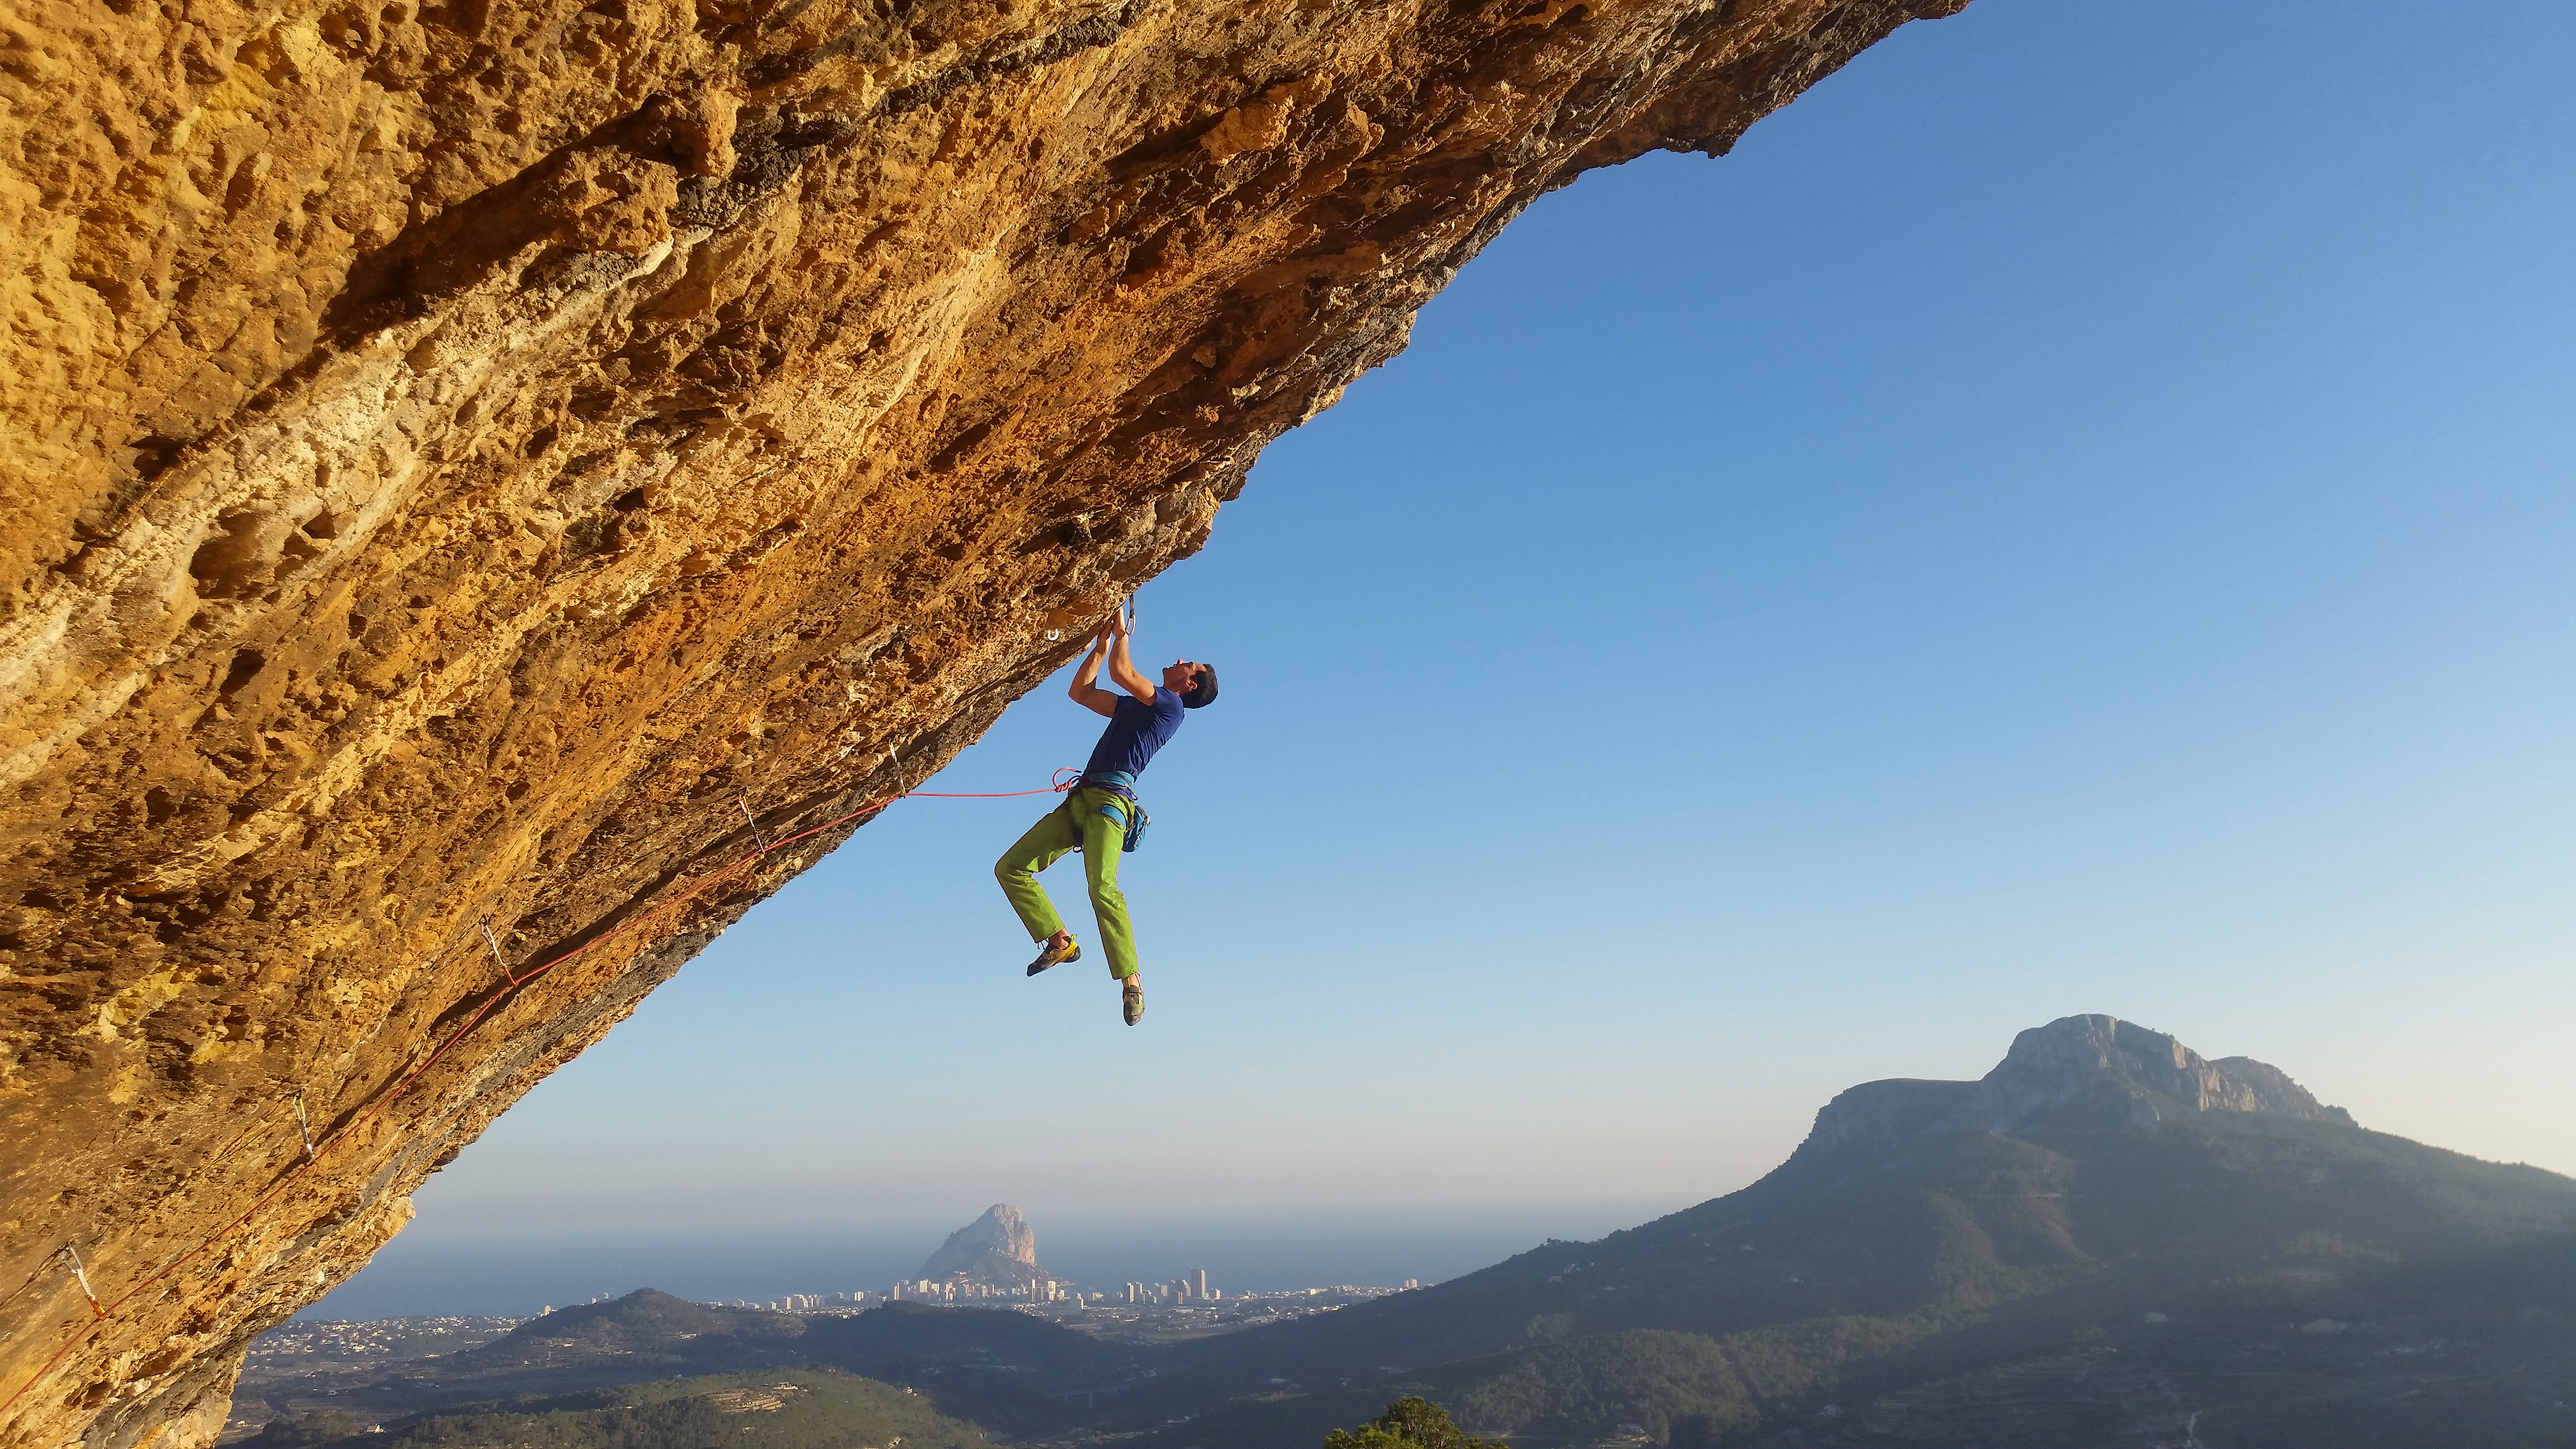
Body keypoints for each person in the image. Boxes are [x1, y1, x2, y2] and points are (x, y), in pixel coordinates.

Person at [994, 605, 1216, 1025]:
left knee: (1102, 886)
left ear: (1189, 683)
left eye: (1189, 664)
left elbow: (1122, 672)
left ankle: (1132, 982)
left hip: (1112, 806)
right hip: (1082, 800)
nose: (1181, 658)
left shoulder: (1171, 707)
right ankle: (1060, 941)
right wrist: (1100, 646)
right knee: (1010, 867)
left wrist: (1121, 635)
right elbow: (1082, 692)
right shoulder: (1137, 706)